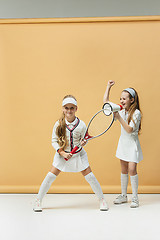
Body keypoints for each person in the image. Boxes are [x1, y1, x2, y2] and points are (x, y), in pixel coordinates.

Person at [33, 95, 108, 212]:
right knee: (50, 177)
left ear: (76, 109)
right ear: (63, 109)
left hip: (78, 155)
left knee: (91, 177)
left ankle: (102, 200)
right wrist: (62, 153)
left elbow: (84, 140)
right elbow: (54, 141)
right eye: (66, 108)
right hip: (62, 155)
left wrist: (84, 143)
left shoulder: (82, 125)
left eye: (71, 108)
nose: (69, 110)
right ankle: (38, 200)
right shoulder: (58, 124)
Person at [103, 81, 143, 208]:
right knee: (124, 170)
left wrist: (119, 118)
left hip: (132, 145)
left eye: (124, 98)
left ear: (132, 100)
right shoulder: (121, 110)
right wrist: (108, 87)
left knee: (132, 169)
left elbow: (130, 130)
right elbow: (106, 103)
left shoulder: (136, 113)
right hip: (123, 144)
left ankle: (135, 198)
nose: (121, 100)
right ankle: (124, 195)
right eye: (120, 98)